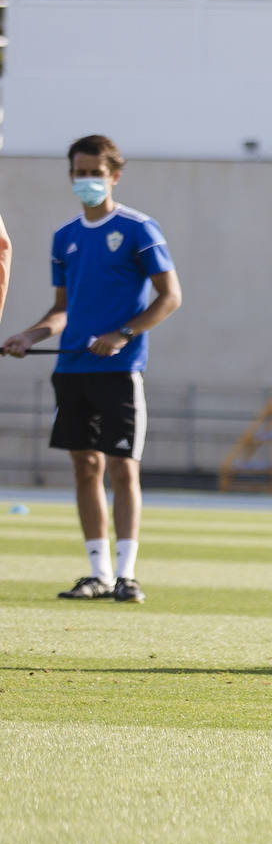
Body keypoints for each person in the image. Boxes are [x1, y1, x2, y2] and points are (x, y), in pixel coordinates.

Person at [1, 135, 182, 604]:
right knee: (85, 467)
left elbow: (170, 297)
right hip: (72, 369)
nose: (86, 180)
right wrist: (29, 336)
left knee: (122, 466)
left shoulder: (140, 228)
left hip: (119, 371)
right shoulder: (66, 237)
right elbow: (62, 310)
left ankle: (127, 574)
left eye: (94, 172)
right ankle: (98, 573)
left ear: (113, 175)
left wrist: (122, 333)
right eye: (79, 172)